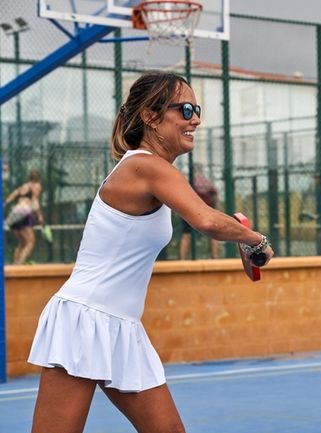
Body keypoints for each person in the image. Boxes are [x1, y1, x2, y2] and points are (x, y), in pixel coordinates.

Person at [27, 71, 274, 433]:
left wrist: (241, 233)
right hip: (85, 318)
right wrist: (256, 240)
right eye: (185, 109)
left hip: (122, 326)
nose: (196, 119)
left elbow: (208, 216)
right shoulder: (144, 165)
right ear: (151, 116)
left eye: (197, 109)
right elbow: (205, 219)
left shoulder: (154, 170)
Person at [179, 163, 220, 259]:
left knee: (186, 235)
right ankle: (215, 256)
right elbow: (214, 194)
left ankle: (182, 259)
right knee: (213, 234)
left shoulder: (189, 181)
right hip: (202, 211)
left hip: (190, 211)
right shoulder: (205, 182)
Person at [4, 170, 44, 264]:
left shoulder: (24, 186)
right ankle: (19, 265)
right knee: (30, 242)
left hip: (15, 213)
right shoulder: (37, 186)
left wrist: (5, 203)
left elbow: (12, 196)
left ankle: (15, 265)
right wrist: (40, 216)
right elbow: (34, 201)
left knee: (22, 243)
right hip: (24, 212)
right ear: (38, 179)